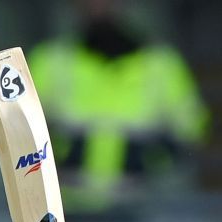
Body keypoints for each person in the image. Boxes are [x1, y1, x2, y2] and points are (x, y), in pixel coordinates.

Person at [28, 0, 209, 210]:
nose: (100, 6)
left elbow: (192, 129)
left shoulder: (162, 63)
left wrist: (152, 159)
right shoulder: (50, 59)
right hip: (61, 207)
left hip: (143, 206)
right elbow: (18, 132)